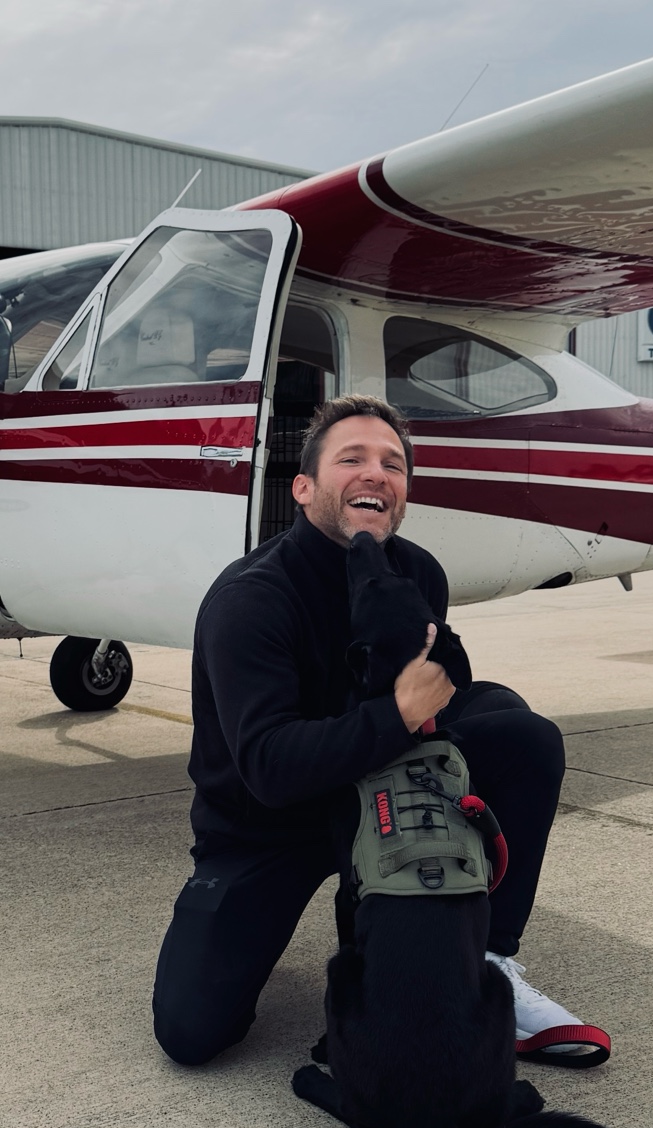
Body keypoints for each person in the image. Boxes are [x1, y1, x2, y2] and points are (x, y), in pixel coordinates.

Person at [153, 395, 584, 1067]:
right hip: (265, 825)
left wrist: (419, 717)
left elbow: (433, 700)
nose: (375, 473)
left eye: (393, 464)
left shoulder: (419, 573)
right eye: (350, 458)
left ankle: (488, 961)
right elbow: (268, 766)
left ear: (403, 494)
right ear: (303, 487)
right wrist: (400, 715)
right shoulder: (251, 598)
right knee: (191, 1033)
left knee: (522, 733)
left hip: (377, 797)